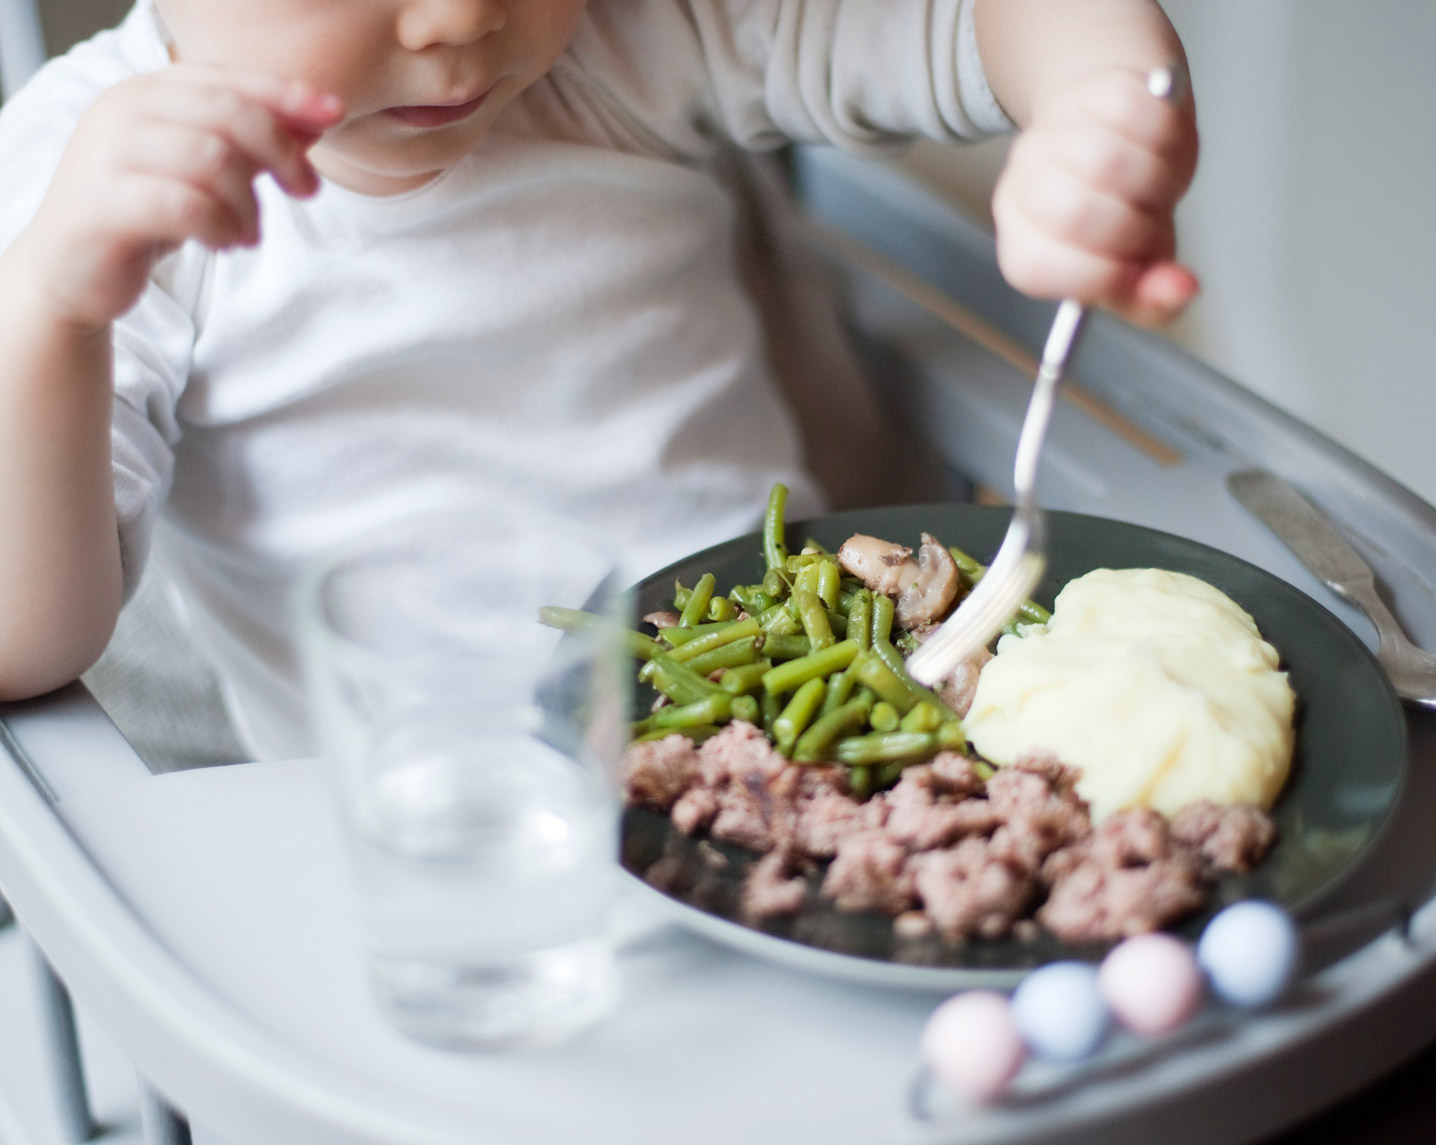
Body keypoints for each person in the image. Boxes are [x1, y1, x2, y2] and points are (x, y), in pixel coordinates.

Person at [0, 0, 1198, 759]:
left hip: (803, 727)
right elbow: (25, 641)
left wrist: (1100, 100)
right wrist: (52, 313)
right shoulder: (86, 181)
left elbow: (975, 21)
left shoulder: (627, 36)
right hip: (437, 841)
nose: (458, 17)